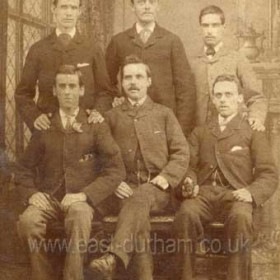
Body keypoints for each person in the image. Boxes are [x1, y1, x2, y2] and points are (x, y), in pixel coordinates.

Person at [15, 65, 125, 280]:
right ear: (54, 90)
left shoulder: (94, 124)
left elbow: (116, 169)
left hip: (81, 199)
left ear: (81, 90)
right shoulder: (45, 125)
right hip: (49, 200)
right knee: (28, 223)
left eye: (72, 86)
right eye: (62, 86)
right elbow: (22, 169)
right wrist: (32, 194)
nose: (67, 91)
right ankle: (42, 275)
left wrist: (85, 195)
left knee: (79, 215)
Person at [89, 55, 190, 280]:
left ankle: (113, 257)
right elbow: (98, 158)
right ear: (121, 84)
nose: (133, 82)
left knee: (142, 196)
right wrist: (114, 182)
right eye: (128, 78)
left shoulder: (164, 114)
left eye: (138, 77)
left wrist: (167, 177)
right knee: (139, 220)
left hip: (159, 190)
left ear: (148, 81)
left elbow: (182, 153)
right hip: (124, 189)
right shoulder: (111, 117)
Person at [174, 74, 278, 280]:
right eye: (218, 95)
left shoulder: (252, 131)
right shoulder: (201, 132)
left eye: (228, 94)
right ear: (212, 99)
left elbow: (269, 174)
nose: (223, 100)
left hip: (235, 195)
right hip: (202, 195)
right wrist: (189, 181)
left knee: (241, 218)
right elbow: (187, 166)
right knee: (185, 214)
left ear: (240, 98)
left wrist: (250, 192)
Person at [15, 0, 112, 132]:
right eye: (64, 7)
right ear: (53, 9)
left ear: (79, 11)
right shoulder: (38, 49)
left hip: (85, 129)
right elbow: (23, 93)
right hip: (49, 129)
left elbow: (105, 92)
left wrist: (98, 112)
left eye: (73, 8)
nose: (68, 13)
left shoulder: (92, 49)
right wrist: (35, 117)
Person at [106, 0, 196, 136]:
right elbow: (106, 83)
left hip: (163, 125)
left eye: (152, 2)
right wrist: (117, 100)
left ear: (158, 5)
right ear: (132, 6)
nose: (147, 6)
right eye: (141, 2)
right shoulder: (119, 41)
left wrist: (180, 130)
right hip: (128, 124)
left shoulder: (171, 41)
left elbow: (185, 89)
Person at [191, 5, 267, 131]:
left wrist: (256, 117)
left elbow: (256, 97)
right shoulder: (191, 61)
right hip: (199, 134)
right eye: (205, 25)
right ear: (200, 28)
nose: (209, 31)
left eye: (215, 25)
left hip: (233, 132)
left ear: (223, 28)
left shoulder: (237, 59)